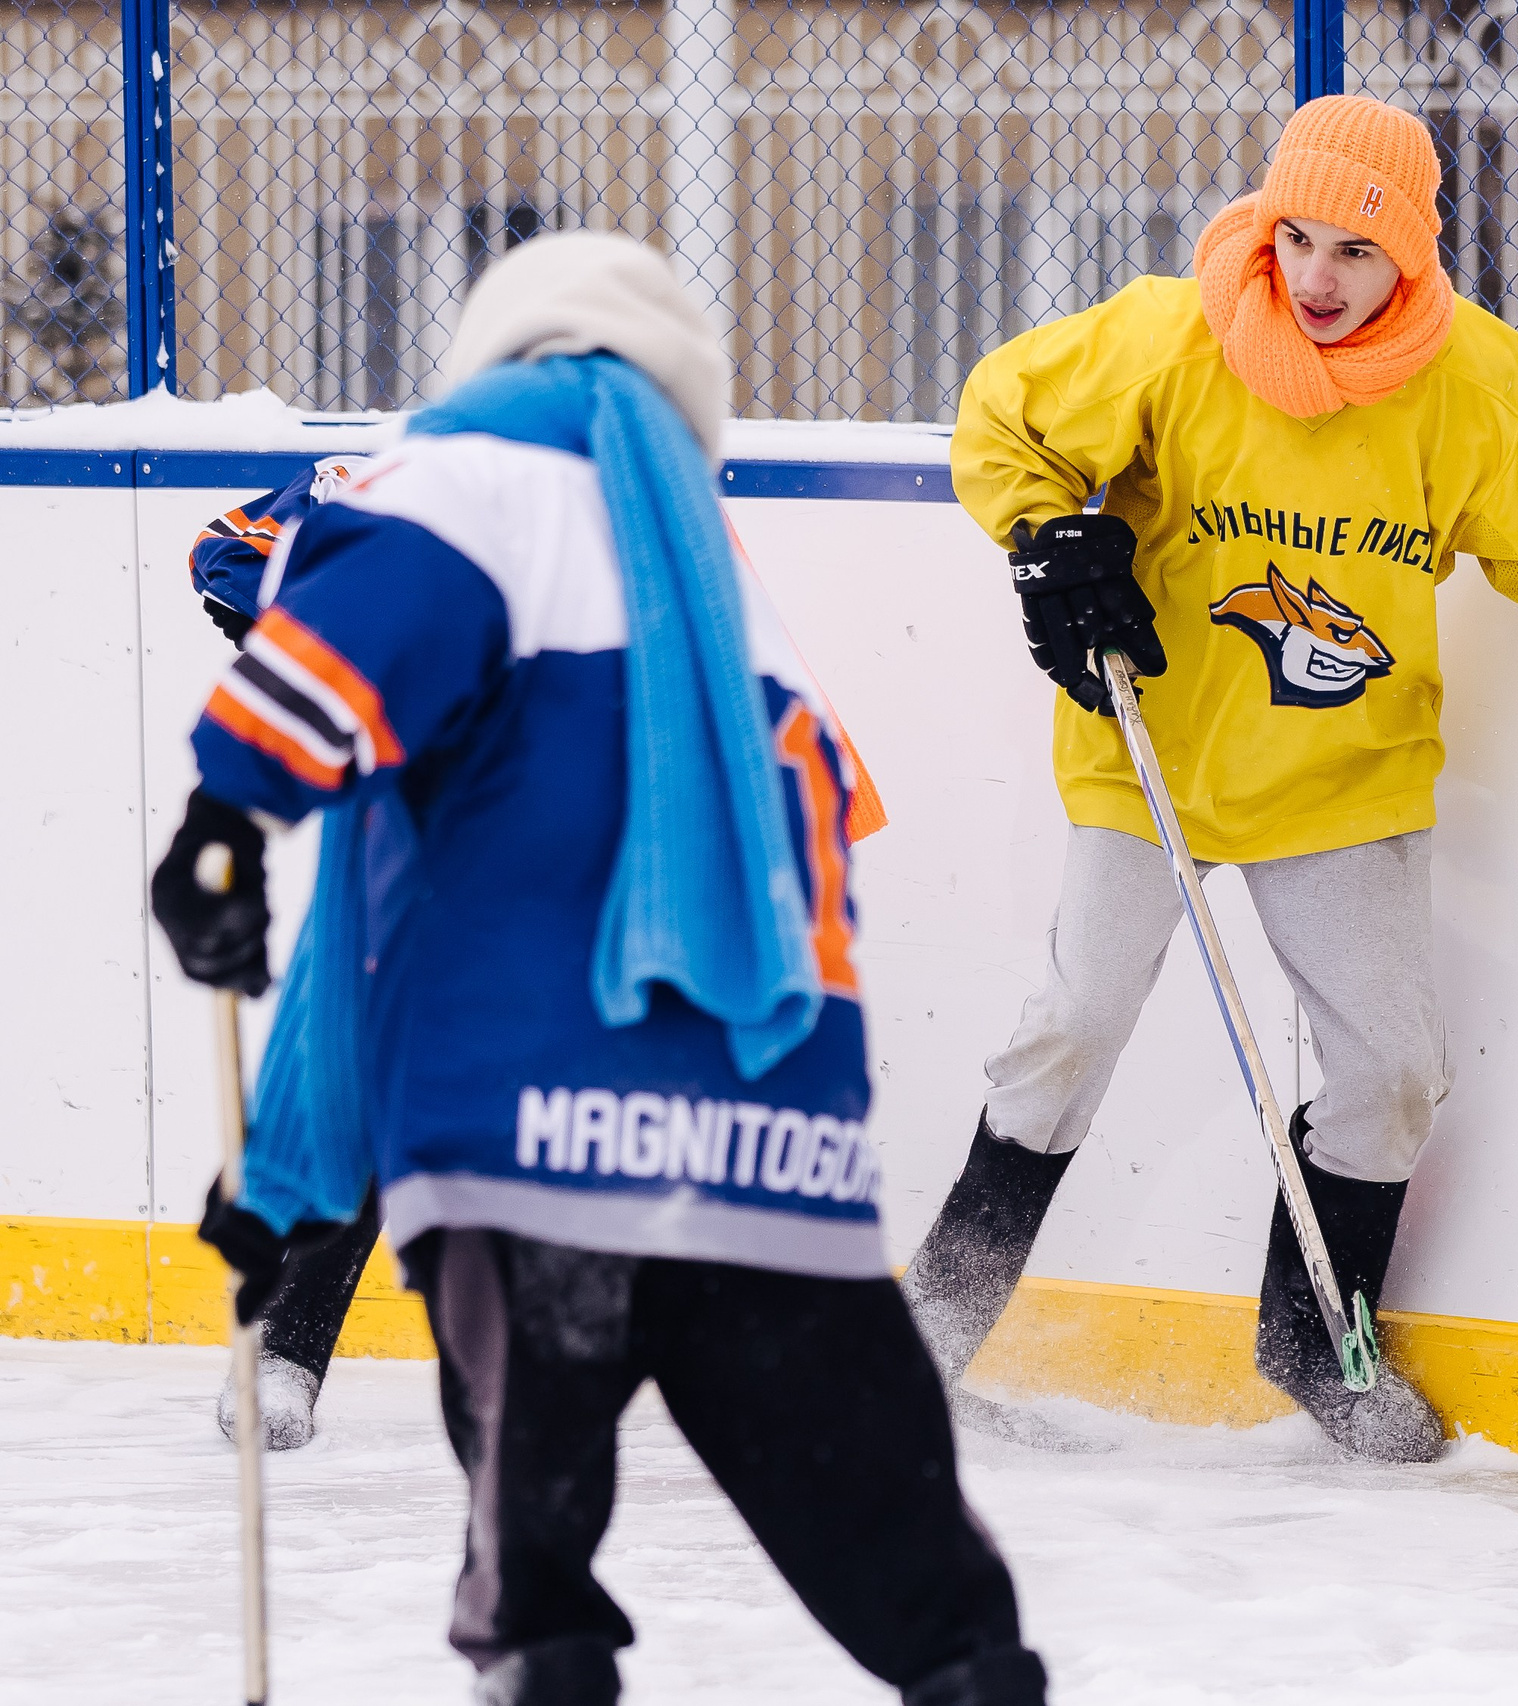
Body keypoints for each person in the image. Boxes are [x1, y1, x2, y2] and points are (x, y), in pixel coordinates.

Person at [150, 232, 1044, 1706]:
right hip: (772, 1162)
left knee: (534, 1558)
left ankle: (541, 1663)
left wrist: (228, 812)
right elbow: (813, 875)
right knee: (905, 1554)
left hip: (527, 1148)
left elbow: (347, 634)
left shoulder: (458, 471)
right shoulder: (718, 582)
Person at [911, 93, 1518, 1463]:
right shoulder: (1169, 331)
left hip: (1342, 775)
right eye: (1296, 237)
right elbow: (1003, 420)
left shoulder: (1477, 385)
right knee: (1071, 1026)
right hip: (1155, 755)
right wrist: (1052, 544)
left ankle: (1315, 1336)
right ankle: (929, 1335)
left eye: (1354, 254)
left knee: (1394, 1068)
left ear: (1411, 258)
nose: (1313, 276)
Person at [191, 452, 388, 1451]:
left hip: (555, 841)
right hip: (413, 835)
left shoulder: (626, 516)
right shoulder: (405, 479)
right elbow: (231, 548)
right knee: (369, 1075)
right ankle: (287, 1347)